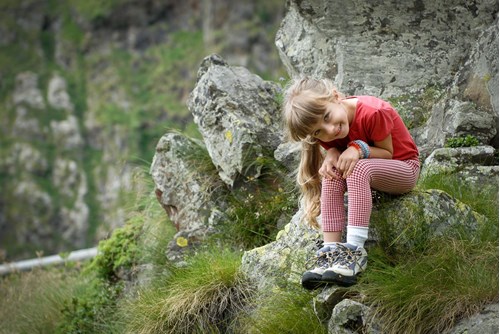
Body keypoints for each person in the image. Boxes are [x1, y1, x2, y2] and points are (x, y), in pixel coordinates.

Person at [282, 77, 420, 288]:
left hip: (403, 169)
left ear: (336, 97)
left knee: (357, 169)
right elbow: (336, 145)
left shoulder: (374, 112)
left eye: (327, 117)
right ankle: (331, 252)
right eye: (319, 132)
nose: (330, 130)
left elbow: (386, 153)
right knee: (332, 174)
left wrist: (356, 149)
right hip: (372, 172)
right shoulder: (328, 130)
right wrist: (333, 153)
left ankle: (354, 252)